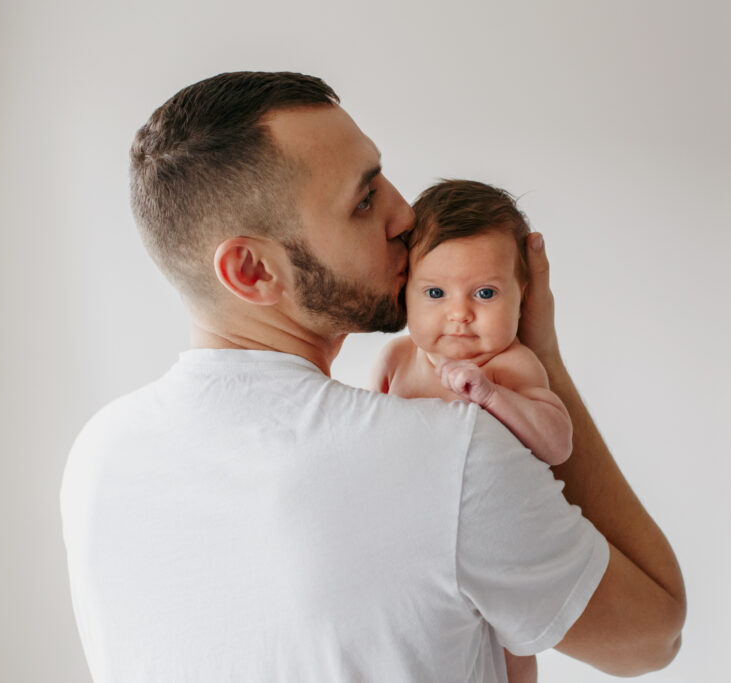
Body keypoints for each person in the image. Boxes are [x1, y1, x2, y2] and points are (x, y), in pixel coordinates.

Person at [60, 71, 686, 683]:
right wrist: (536, 352)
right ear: (252, 270)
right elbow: (652, 636)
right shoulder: (449, 455)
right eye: (364, 200)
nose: (406, 214)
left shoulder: (98, 454)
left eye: (382, 179)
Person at [370, 179, 572, 682]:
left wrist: (491, 396)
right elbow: (365, 434)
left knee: (510, 653)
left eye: (485, 293)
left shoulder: (511, 366)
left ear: (523, 299)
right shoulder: (398, 358)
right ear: (404, 294)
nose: (459, 313)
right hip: (412, 549)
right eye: (435, 292)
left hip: (499, 553)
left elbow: (557, 442)